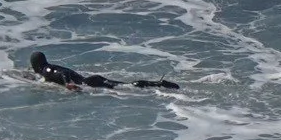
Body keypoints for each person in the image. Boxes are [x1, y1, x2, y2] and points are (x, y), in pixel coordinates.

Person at [30, 51, 180, 92]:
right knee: (127, 86)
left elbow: (62, 74)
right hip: (91, 80)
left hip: (89, 82)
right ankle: (158, 84)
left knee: (128, 87)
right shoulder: (48, 67)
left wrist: (68, 83)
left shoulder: (47, 69)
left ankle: (159, 84)